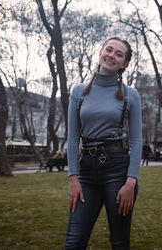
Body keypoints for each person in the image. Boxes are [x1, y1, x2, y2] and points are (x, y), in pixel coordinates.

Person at [65, 37, 142, 249]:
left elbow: (136, 141)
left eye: (119, 54)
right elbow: (72, 138)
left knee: (119, 243)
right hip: (86, 173)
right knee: (73, 242)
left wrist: (130, 182)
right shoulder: (78, 92)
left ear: (124, 64)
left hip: (118, 171)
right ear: (100, 52)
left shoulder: (131, 95)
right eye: (109, 50)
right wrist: (73, 178)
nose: (111, 55)